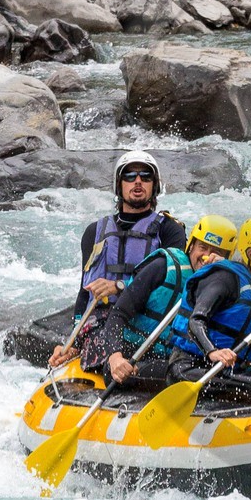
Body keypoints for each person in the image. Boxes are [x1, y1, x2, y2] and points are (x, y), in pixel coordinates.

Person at [49, 151, 185, 373]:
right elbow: (85, 292)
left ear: (155, 186)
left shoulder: (170, 230)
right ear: (119, 185)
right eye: (130, 176)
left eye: (145, 176)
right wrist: (74, 340)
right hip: (100, 320)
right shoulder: (94, 232)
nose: (138, 181)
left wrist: (119, 286)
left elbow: (173, 286)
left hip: (143, 321)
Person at [99, 215, 239, 387]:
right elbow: (118, 314)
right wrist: (115, 357)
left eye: (216, 253)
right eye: (202, 247)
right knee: (180, 374)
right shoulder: (162, 266)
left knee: (190, 371)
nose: (206, 257)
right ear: (191, 245)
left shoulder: (224, 286)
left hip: (174, 362)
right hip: (131, 359)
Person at [167, 218, 251, 394]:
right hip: (187, 369)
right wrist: (212, 352)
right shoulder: (224, 278)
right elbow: (195, 320)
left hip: (226, 372)